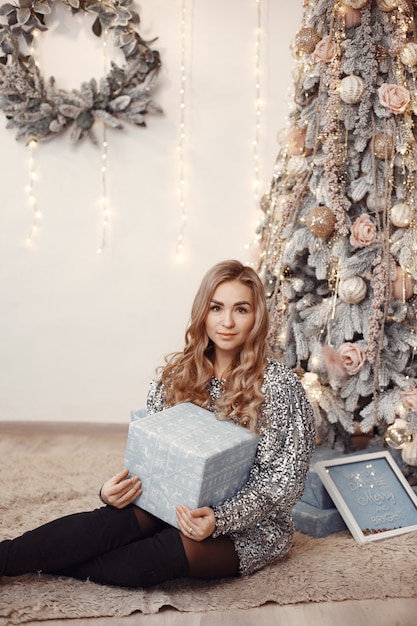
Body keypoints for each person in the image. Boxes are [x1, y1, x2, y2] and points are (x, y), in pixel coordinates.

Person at [0, 259, 315, 588]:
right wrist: (112, 491)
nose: (227, 322)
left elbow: (283, 485)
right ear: (202, 313)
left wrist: (220, 519)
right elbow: (153, 456)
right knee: (106, 525)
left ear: (256, 317)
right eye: (216, 308)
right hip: (170, 505)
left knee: (144, 563)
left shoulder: (280, 386)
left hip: (251, 528)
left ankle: (52, 560)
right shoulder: (177, 375)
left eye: (241, 310)